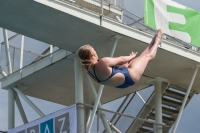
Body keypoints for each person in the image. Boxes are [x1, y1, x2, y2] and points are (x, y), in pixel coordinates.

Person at [78, 29, 164, 88]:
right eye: (94, 51)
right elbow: (121, 59)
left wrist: (125, 65)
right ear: (92, 54)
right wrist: (132, 57)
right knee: (146, 56)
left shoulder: (88, 70)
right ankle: (158, 40)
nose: (96, 52)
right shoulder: (103, 62)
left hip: (120, 83)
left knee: (140, 59)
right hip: (130, 77)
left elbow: (109, 74)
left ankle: (155, 38)